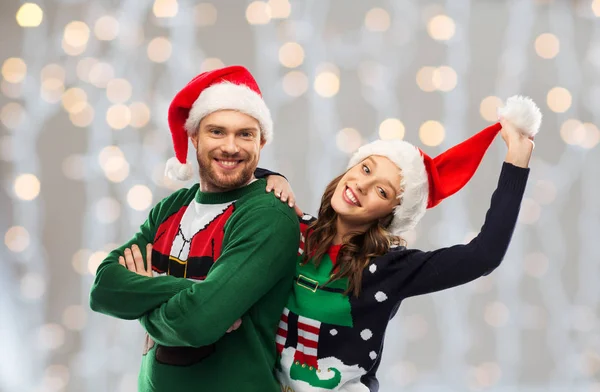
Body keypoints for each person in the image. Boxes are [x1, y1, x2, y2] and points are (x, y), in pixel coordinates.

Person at [263, 96, 540, 391]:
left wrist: (517, 161)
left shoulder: (390, 267)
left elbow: (484, 255)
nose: (362, 185)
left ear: (391, 215)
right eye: (366, 169)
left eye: (382, 192)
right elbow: (229, 182)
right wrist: (271, 177)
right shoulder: (291, 228)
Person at [89, 65, 301, 392]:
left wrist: (143, 299)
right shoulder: (171, 208)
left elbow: (198, 323)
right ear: (194, 136)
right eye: (217, 131)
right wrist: (187, 293)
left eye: (245, 134)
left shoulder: (267, 213)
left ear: (263, 141)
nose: (231, 147)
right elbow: (104, 289)